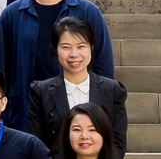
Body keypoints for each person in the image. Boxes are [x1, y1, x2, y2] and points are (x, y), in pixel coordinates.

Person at [0, 0, 115, 136]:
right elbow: (2, 70)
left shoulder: (88, 12)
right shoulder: (12, 14)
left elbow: (103, 69)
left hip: (76, 119)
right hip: (25, 118)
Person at [29, 16, 129, 150]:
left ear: (91, 47)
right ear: (55, 49)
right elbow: (37, 144)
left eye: (81, 46)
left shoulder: (112, 90)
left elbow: (117, 142)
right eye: (66, 47)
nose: (74, 54)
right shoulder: (41, 92)